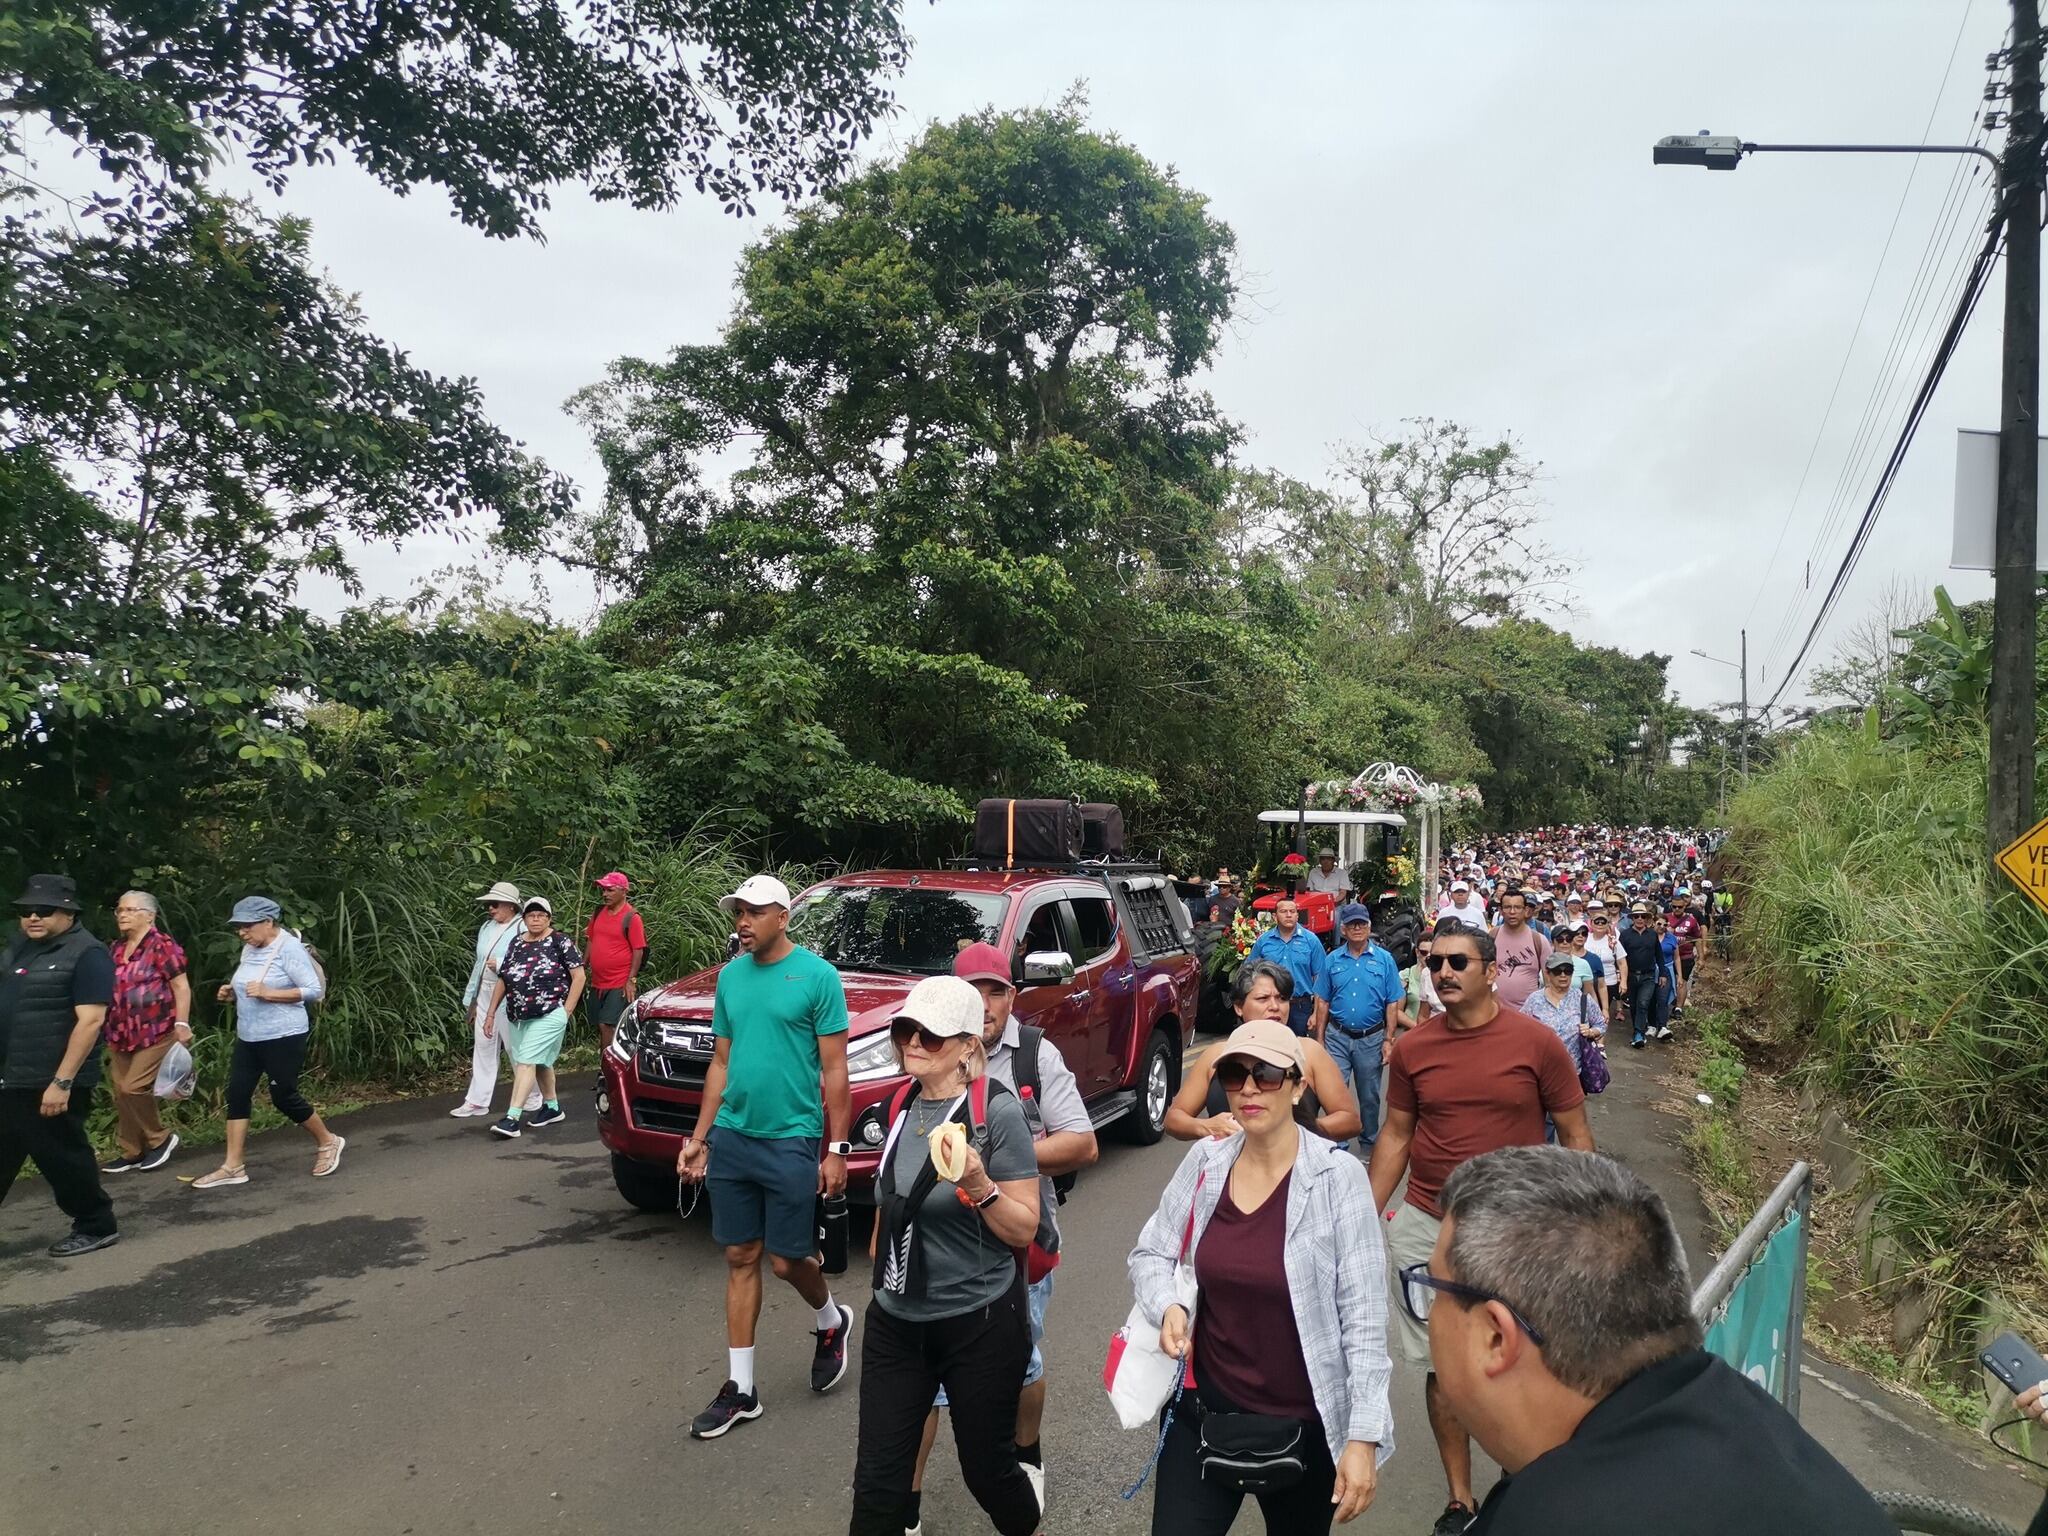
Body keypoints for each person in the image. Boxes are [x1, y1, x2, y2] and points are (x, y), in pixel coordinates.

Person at [1415, 1145, 1895, 1536]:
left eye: (1433, 1288)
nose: (1428, 1310)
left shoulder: (1550, 1517)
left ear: (1496, 1336)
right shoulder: (1739, 1407)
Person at [1367, 922, 1593, 1536]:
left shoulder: (1537, 1043)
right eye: (1434, 962)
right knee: (1445, 1369)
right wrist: (1363, 1216)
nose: (1443, 973)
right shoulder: (1414, 1049)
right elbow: (1395, 1136)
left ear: (1491, 970)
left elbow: (1574, 1136)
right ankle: (1459, 1501)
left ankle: (1522, 1478)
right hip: (1426, 1227)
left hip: (1517, 1232)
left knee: (1521, 1358)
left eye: (1458, 962)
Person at [1130, 1018, 1393, 1534]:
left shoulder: (1338, 1179)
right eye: (1233, 1074)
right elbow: (1151, 1253)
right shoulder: (1207, 1162)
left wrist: (1362, 1437)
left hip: (1304, 1425)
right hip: (1203, 1414)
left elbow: (1364, 1317)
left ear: (1298, 1086)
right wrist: (1170, 1306)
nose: (1248, 1088)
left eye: (1267, 1074)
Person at [906, 944, 1098, 1531]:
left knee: (1023, 1361)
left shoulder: (1035, 1055)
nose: (985, 1004)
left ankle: (1025, 1455)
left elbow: (1083, 1143)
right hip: (936, 1247)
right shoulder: (931, 1053)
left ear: (1012, 997)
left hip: (1018, 1243)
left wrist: (993, 1158)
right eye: (972, 992)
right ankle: (904, 1506)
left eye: (995, 991)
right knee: (926, 1384)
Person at [847, 974, 1042, 1536]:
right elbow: (892, 1200)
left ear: (966, 1049)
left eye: (929, 1036)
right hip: (897, 1323)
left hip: (978, 1323)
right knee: (878, 1486)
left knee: (987, 1472)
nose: (912, 1043)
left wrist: (980, 1184)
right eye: (906, 1030)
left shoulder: (994, 1112)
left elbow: (1023, 1229)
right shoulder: (900, 1104)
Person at [680, 873, 854, 1440]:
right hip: (734, 1134)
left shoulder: (818, 977)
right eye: (738, 913)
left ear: (783, 916)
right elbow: (721, 1063)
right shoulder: (730, 978)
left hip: (792, 1137)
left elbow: (834, 1071)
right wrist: (700, 1137)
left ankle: (831, 1321)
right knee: (739, 1255)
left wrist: (835, 1149)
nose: (743, 922)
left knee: (786, 1260)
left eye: (754, 912)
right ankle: (742, 1389)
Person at [0, 875, 120, 1255]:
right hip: (11, 1075)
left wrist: (63, 1082)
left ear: (68, 912)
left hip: (50, 1079)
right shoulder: (20, 948)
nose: (33, 917)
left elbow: (91, 1021)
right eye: (25, 911)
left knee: (61, 1155)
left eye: (44, 911)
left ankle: (96, 1224)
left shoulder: (87, 954)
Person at [194, 896, 345, 1189]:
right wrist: (232, 993)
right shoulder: (250, 948)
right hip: (249, 1035)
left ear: (268, 922)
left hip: (284, 1035)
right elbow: (249, 984)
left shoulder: (288, 948)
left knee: (283, 1096)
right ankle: (233, 1166)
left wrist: (269, 993)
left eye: (247, 926)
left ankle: (328, 1141)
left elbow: (314, 991)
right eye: (238, 927)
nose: (242, 932)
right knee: (237, 1094)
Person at [1167, 960, 1360, 1144]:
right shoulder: (1215, 1055)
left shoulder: (1309, 1052)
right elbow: (1174, 1119)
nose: (1274, 1006)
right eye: (1263, 999)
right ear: (1239, 1007)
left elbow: (1349, 1121)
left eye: (1282, 999)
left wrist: (1295, 1132)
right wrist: (1206, 1126)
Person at [100, 890, 193, 1173]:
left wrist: (182, 1023)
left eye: (129, 910)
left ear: (149, 916)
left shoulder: (161, 945)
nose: (123, 915)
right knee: (119, 1091)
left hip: (157, 1030)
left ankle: (160, 1139)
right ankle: (132, 1150)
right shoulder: (117, 948)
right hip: (121, 1031)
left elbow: (181, 986)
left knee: (133, 1087)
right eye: (120, 911)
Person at [481, 896, 585, 1138]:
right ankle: (552, 1107)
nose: (535, 919)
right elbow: (504, 979)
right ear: (525, 918)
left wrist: (566, 1011)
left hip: (549, 1012)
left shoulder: (560, 941)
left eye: (541, 915)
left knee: (526, 1060)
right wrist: (490, 1013)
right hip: (519, 1014)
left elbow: (579, 977)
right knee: (540, 1062)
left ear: (548, 918)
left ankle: (512, 1118)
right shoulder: (517, 943)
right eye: (531, 915)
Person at [1315, 903, 1403, 1153]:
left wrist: (1389, 1039)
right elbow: (1322, 1000)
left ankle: (1369, 1142)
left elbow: (1392, 1002)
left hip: (1371, 1038)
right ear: (1343, 929)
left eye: (1361, 924)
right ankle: (1338, 1143)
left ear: (1369, 927)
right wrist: (1320, 1040)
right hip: (1337, 1036)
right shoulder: (1332, 959)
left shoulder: (1384, 960)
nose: (1357, 928)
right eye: (1352, 924)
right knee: (1334, 1092)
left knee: (1369, 1095)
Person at [452, 880, 535, 1118]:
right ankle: (477, 1100)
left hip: (511, 992)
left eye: (495, 904)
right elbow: (479, 965)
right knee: (483, 1044)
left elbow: (528, 961)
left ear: (511, 906)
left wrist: (501, 965)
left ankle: (531, 1095)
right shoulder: (486, 928)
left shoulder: (522, 927)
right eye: (489, 904)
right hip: (486, 990)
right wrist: (473, 998)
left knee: (514, 1046)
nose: (491, 908)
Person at [585, 870, 649, 1055]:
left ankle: (606, 1070)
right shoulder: (598, 913)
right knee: (600, 1025)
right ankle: (615, 1063)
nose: (605, 894)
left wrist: (631, 980)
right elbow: (591, 939)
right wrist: (583, 965)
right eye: (603, 890)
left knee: (607, 1025)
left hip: (619, 982)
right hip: (598, 982)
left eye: (610, 890)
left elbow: (639, 950)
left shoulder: (632, 918)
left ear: (623, 891)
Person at [1249, 898, 1326, 1037]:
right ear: (1274, 916)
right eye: (1284, 911)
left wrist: (1316, 1014)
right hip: (1270, 1005)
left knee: (1298, 1050)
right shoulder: (1264, 941)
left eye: (1292, 911)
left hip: (1300, 1007)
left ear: (1297, 915)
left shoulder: (1311, 941)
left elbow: (1320, 979)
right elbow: (1250, 973)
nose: (1289, 915)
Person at [1520, 952, 1603, 1075]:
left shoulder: (1582, 999)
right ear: (1548, 973)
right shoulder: (1535, 999)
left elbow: (1601, 1024)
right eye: (1557, 971)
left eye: (1568, 971)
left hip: (1574, 1072)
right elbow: (1520, 1028)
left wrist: (1590, 1032)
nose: (1563, 975)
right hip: (1541, 1070)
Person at [1488, 892, 1550, 1009]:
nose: (1512, 912)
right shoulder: (1492, 936)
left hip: (1529, 1012)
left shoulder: (1539, 940)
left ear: (1525, 910)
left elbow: (1550, 981)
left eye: (1517, 907)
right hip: (1494, 1010)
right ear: (1500, 910)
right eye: (1507, 907)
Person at [1617, 902, 1662, 1049]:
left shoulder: (1653, 935)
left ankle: (1638, 1033)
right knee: (1635, 1006)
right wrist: (1620, 975)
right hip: (1630, 975)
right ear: (1633, 918)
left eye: (1643, 916)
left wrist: (1663, 973)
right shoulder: (1625, 935)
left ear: (1647, 918)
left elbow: (1659, 956)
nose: (1640, 919)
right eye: (1636, 916)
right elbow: (1619, 957)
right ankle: (1638, 1029)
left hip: (1648, 975)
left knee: (1643, 1003)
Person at [1397, 931, 1441, 1039]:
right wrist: (1418, 1028)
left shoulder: (1442, 975)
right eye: (1424, 952)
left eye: (1432, 953)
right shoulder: (1406, 976)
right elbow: (1397, 1011)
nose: (1428, 956)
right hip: (1411, 1032)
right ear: (1417, 952)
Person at [1667, 897, 1701, 1015]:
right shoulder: (1666, 918)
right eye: (1674, 906)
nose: (1677, 909)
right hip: (1668, 957)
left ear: (1685, 906)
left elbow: (1697, 938)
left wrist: (1701, 957)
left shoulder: (1691, 920)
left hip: (1685, 956)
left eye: (1679, 907)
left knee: (1682, 981)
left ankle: (1678, 1008)